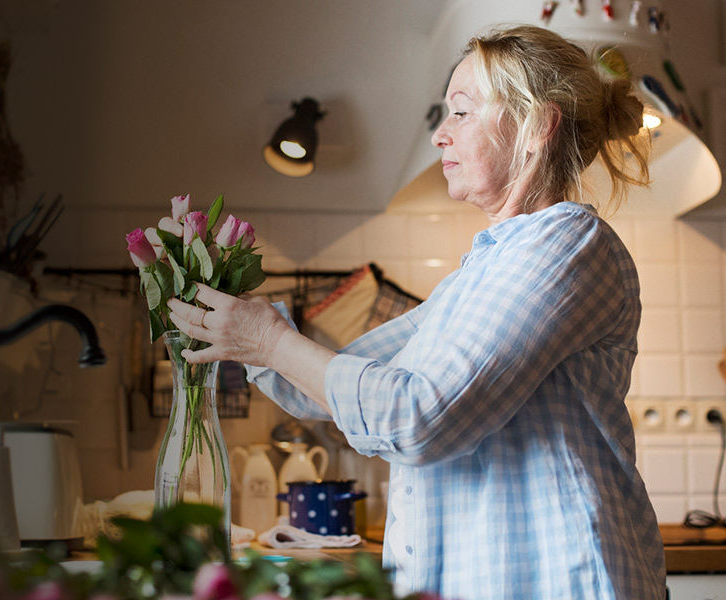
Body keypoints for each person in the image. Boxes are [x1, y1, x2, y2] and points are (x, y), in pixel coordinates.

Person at [167, 25, 664, 600]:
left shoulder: (568, 246)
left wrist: (270, 342)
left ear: (536, 127)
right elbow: (332, 387)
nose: (439, 136)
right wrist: (236, 327)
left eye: (460, 112)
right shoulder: (482, 273)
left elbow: (417, 418)